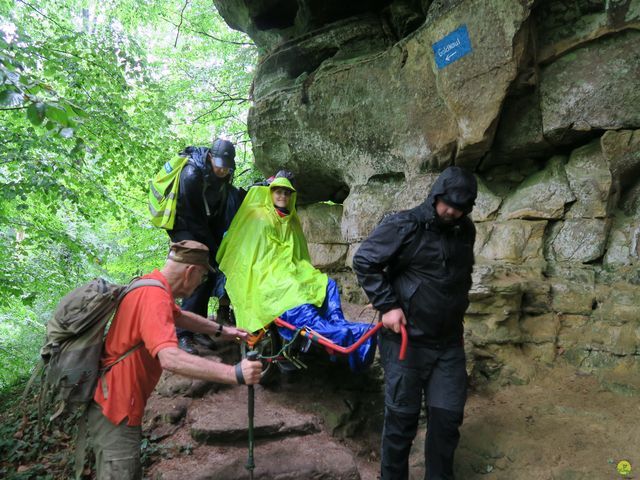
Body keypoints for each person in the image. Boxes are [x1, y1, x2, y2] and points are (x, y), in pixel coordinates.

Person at [88, 240, 262, 479]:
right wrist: (235, 373)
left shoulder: (147, 285)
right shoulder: (154, 297)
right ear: (190, 271)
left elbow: (180, 316)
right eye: (202, 277)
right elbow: (169, 357)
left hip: (113, 400)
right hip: (117, 408)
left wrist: (223, 331)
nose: (201, 283)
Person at [352, 166, 478, 480]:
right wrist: (388, 305)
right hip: (406, 343)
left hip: (448, 343)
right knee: (402, 421)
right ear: (435, 195)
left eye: (460, 207)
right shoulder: (406, 224)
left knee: (447, 420)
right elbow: (364, 259)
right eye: (447, 203)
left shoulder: (466, 230)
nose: (452, 211)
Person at [217, 177, 376, 371]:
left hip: (290, 269)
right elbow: (255, 251)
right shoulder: (259, 217)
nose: (282, 196)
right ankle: (335, 333)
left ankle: (337, 326)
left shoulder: (291, 220)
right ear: (271, 193)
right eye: (278, 192)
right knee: (295, 292)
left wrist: (299, 270)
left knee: (326, 283)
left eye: (286, 192)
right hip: (266, 272)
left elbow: (298, 253)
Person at [167, 138, 242, 354]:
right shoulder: (191, 175)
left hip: (203, 227)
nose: (222, 171)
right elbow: (193, 219)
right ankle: (183, 335)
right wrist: (211, 248)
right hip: (183, 225)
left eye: (227, 167)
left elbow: (218, 209)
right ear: (210, 157)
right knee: (195, 275)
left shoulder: (222, 176)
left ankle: (198, 329)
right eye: (219, 165)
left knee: (208, 275)